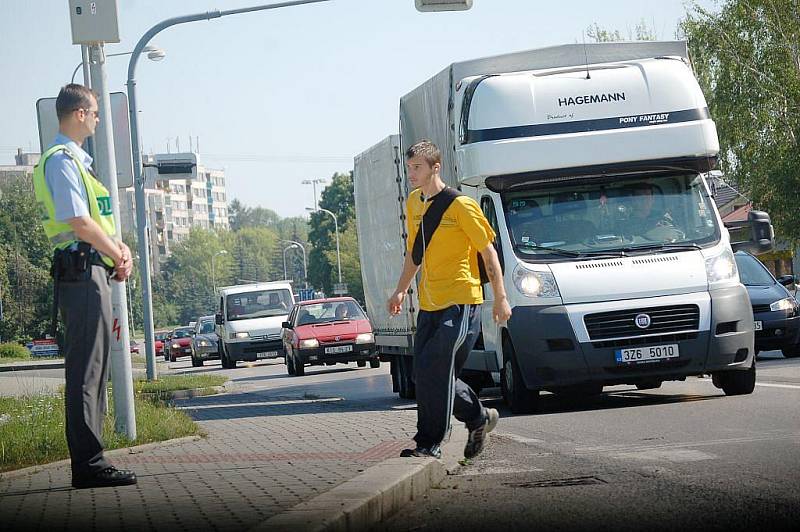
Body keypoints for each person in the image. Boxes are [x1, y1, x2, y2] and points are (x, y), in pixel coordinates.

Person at [32, 84, 136, 489]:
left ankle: (92, 460)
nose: (96, 120)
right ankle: (89, 464)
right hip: (81, 270)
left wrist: (117, 251)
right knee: (86, 370)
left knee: (94, 368)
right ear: (78, 113)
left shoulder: (76, 161)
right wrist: (115, 253)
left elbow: (95, 220)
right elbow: (78, 220)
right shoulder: (61, 161)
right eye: (93, 113)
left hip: (91, 268)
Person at [387, 139, 512, 460]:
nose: (411, 174)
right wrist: (401, 289)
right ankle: (478, 418)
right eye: (409, 168)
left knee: (436, 370)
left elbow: (489, 254)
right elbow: (416, 253)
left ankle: (429, 443)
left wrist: (500, 298)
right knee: (424, 374)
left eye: (417, 168)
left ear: (435, 168)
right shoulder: (414, 203)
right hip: (429, 304)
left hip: (460, 303)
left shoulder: (461, 206)